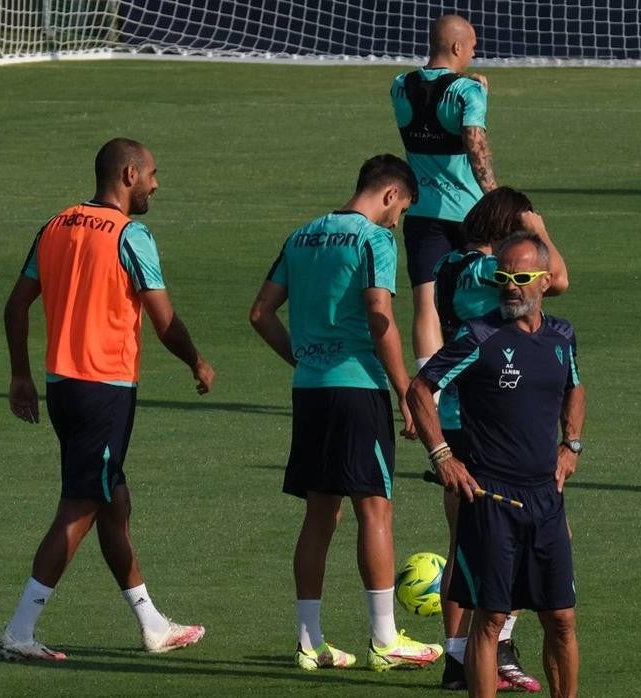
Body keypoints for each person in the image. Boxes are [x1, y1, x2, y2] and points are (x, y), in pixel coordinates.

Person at [0, 137, 215, 661]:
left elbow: (16, 305)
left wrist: (20, 377)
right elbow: (162, 320)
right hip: (104, 390)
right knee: (80, 507)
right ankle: (19, 631)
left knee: (112, 501)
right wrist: (196, 361)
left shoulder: (55, 225)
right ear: (127, 174)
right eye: (152, 174)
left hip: (62, 387)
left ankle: (152, 624)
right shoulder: (130, 235)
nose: (156, 184)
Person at [249, 154, 444, 672]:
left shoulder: (301, 235)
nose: (397, 222)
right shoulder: (374, 240)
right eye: (400, 209)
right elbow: (380, 315)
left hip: (309, 390)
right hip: (357, 390)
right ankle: (385, 639)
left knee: (319, 515)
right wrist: (405, 391)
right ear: (388, 194)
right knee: (375, 508)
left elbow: (260, 313)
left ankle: (310, 643)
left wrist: (301, 356)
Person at [409, 233, 585, 698]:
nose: (510, 286)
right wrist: (442, 455)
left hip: (546, 500)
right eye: (504, 277)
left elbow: (575, 386)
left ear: (544, 282)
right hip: (490, 498)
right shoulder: (478, 335)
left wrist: (572, 445)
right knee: (490, 618)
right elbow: (420, 390)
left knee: (561, 619)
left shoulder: (562, 336)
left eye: (521, 278)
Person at [390, 13, 498, 380]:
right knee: (482, 295)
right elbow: (475, 143)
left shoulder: (399, 87)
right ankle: (484, 377)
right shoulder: (468, 92)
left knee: (426, 302)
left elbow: (431, 100)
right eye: (471, 46)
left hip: (422, 214)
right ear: (456, 46)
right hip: (471, 214)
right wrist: (494, 197)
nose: (473, 51)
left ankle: (430, 391)